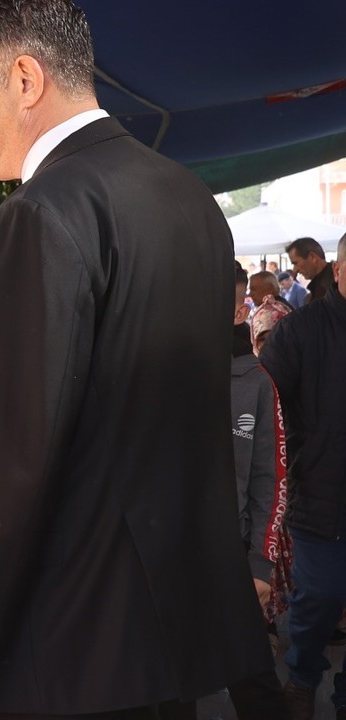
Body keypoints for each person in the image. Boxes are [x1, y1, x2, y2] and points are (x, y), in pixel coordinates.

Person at [0, 2, 272, 718]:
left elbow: (9, 464)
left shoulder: (39, 214)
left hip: (61, 655)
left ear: (25, 79)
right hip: (166, 646)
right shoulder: (191, 200)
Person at [259, 234, 346, 720]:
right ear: (339, 270)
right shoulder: (301, 330)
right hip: (319, 495)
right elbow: (266, 401)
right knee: (319, 598)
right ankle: (303, 677)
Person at [227, 266, 292, 720]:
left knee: (255, 688)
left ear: (239, 311)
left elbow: (273, 479)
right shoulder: (165, 373)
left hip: (234, 561)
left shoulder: (256, 383)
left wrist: (260, 564)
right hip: (168, 564)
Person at [285, 236, 334, 304]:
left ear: (312, 257)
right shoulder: (322, 287)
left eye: (296, 263)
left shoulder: (336, 284)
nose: (295, 270)